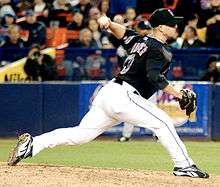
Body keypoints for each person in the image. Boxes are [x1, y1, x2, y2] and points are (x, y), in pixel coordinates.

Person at [8, 8, 209, 178]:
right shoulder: (160, 49)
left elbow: (124, 33)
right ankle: (184, 165)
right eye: (171, 24)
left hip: (110, 93)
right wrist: (179, 94)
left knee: (81, 135)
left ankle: (33, 144)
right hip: (124, 96)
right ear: (160, 27)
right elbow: (154, 78)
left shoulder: (142, 41)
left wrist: (109, 22)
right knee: (163, 122)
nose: (175, 27)